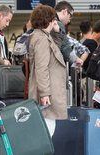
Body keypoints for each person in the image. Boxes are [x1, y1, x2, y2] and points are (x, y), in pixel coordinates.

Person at [29, 4, 66, 137]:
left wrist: (57, 32)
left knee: (46, 130)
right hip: (46, 93)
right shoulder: (41, 39)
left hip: (47, 91)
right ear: (49, 19)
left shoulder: (42, 36)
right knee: (47, 132)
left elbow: (54, 49)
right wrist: (44, 93)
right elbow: (41, 67)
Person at [52, 1, 83, 65]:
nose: (69, 20)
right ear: (65, 11)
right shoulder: (57, 24)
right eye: (70, 16)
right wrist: (77, 59)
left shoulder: (47, 20)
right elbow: (65, 47)